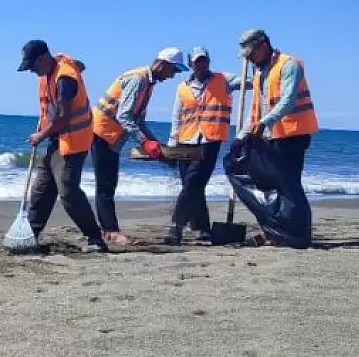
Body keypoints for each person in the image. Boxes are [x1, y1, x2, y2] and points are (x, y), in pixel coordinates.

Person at [16, 40, 108, 254]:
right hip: (57, 139)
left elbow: (64, 116)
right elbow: (78, 65)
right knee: (41, 188)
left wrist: (41, 134)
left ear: (43, 58)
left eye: (32, 66)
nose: (31, 71)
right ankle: (30, 234)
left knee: (68, 190)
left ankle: (95, 239)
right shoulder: (53, 70)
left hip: (74, 140)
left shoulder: (64, 78)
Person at [229, 28, 318, 247]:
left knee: (289, 187)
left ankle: (296, 235)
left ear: (263, 46)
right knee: (269, 187)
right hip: (269, 138)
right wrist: (241, 136)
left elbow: (287, 101)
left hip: (292, 135)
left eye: (252, 54)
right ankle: (274, 232)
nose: (249, 59)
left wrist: (265, 123)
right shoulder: (259, 73)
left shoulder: (289, 65)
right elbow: (256, 109)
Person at [90, 47, 188, 245]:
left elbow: (139, 120)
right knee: (105, 185)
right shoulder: (139, 79)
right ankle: (110, 231)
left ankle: (108, 229)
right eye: (173, 70)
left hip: (111, 136)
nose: (173, 76)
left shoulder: (148, 83)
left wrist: (157, 145)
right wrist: (144, 141)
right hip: (101, 132)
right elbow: (124, 116)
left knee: (109, 184)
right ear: (161, 64)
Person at [163, 46, 245, 245]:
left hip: (210, 140)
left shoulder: (224, 80)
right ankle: (203, 229)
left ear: (208, 62)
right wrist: (172, 143)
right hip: (185, 140)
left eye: (204, 61)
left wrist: (253, 69)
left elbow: (250, 83)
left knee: (192, 184)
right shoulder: (183, 87)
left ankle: (176, 227)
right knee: (193, 187)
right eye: (197, 61)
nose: (201, 65)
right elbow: (177, 116)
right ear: (191, 64)